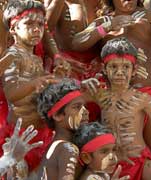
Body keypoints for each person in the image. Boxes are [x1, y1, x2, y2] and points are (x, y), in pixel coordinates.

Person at [83, 37, 151, 180]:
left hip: (139, 161)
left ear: (134, 70)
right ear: (104, 69)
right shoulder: (99, 95)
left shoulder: (143, 99)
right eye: (113, 66)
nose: (120, 72)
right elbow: (72, 99)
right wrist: (83, 84)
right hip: (108, 162)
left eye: (126, 67)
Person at [0, 0, 60, 172]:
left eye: (40, 24)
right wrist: (34, 83)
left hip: (40, 131)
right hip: (19, 134)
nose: (36, 29)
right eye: (29, 23)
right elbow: (11, 94)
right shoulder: (13, 55)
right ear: (13, 29)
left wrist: (57, 79)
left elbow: (41, 90)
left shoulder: (35, 58)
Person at [37, 78, 89, 180]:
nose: (86, 111)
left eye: (84, 106)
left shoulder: (58, 146)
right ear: (57, 115)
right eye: (77, 107)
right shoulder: (67, 148)